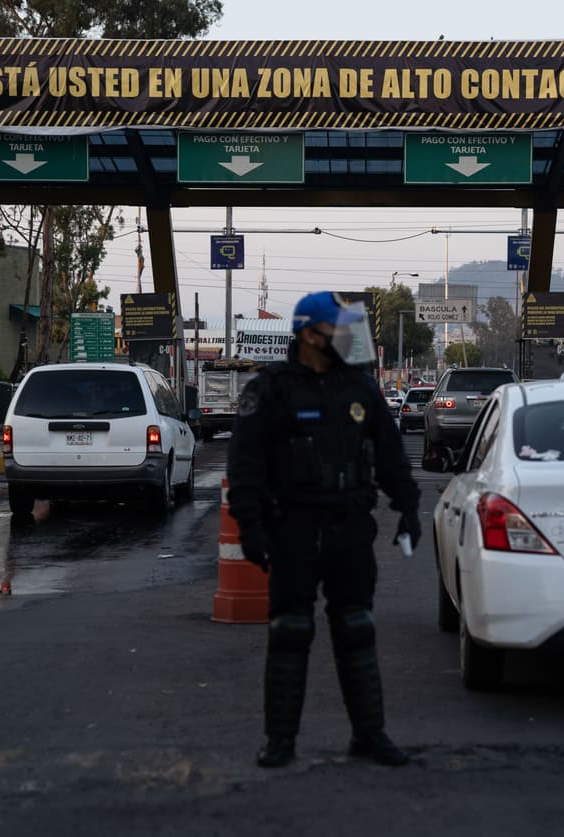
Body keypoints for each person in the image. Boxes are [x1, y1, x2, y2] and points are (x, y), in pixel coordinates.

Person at [226, 291, 421, 769]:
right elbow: (246, 464)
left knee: (357, 627)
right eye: (339, 331)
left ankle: (370, 736)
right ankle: (280, 742)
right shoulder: (269, 389)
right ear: (312, 335)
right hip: (293, 528)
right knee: (290, 630)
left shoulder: (359, 387)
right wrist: (250, 526)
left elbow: (392, 455)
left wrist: (409, 507)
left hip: (350, 528)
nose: (348, 340)